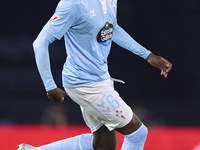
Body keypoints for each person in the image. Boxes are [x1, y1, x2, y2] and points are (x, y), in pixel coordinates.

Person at [17, 0, 172, 149]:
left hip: (100, 79)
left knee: (104, 144)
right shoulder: (73, 4)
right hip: (85, 84)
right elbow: (40, 42)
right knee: (137, 133)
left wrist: (147, 55)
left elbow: (113, 29)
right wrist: (50, 86)